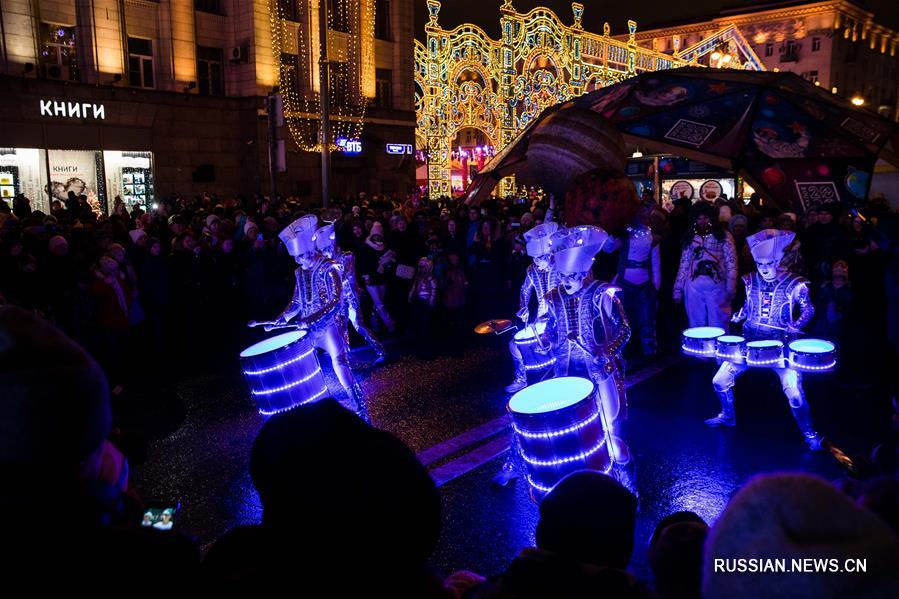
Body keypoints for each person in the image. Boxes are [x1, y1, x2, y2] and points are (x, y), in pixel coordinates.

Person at [705, 229, 823, 450]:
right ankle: (728, 416)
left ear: (777, 261)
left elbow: (808, 309)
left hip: (782, 346)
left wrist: (795, 325)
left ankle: (810, 434)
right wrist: (741, 314)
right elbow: (750, 305)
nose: (764, 269)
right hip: (750, 343)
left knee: (795, 394)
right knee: (719, 381)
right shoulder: (750, 280)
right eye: (760, 264)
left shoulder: (795, 283)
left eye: (769, 264)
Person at [537, 226, 635, 492]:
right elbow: (551, 329)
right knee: (570, 436)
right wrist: (545, 341)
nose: (566, 280)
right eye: (563, 275)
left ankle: (628, 485)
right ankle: (583, 487)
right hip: (565, 373)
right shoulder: (553, 297)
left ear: (583, 272)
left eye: (572, 276)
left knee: (612, 432)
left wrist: (605, 351)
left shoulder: (602, 294)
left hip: (599, 372)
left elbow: (625, 329)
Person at [260, 215, 366, 419]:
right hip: (308, 328)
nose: (300, 261)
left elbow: (336, 300)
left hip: (329, 326)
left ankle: (358, 403)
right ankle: (313, 409)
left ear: (311, 251)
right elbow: (297, 302)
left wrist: (312, 318)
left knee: (339, 363)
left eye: (303, 256)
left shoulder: (330, 267)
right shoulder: (300, 272)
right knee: (306, 367)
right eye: (297, 258)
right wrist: (281, 319)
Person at [314, 223, 386, 364]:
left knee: (358, 325)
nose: (324, 252)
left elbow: (347, 275)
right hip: (337, 299)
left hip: (349, 296)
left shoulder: (347, 256)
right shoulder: (325, 262)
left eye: (326, 249)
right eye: (322, 250)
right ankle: (345, 357)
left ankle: (381, 350)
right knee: (342, 327)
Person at [504, 221, 560, 394]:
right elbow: (524, 289)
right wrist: (524, 307)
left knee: (555, 345)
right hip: (541, 316)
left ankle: (560, 377)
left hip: (560, 316)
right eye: (534, 259)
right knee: (514, 344)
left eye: (540, 258)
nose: (537, 262)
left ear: (549, 255)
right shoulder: (532, 270)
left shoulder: (560, 266)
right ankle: (521, 379)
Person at [607, 206, 661, 359]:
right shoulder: (626, 235)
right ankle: (623, 350)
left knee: (647, 319)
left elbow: (656, 263)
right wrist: (612, 234)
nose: (646, 217)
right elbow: (608, 248)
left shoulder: (652, 238)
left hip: (644, 283)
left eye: (647, 215)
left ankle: (649, 351)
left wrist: (656, 285)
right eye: (643, 215)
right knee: (623, 319)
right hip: (624, 282)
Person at [674, 202, 737, 328]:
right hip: (693, 286)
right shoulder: (690, 237)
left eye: (705, 218)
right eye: (699, 218)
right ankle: (699, 346)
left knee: (719, 321)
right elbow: (684, 263)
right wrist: (678, 288)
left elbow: (732, 262)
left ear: (712, 217)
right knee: (696, 322)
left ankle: (718, 347)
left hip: (717, 285)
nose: (702, 221)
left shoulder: (724, 236)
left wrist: (731, 286)